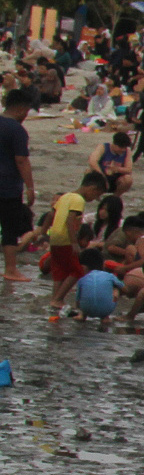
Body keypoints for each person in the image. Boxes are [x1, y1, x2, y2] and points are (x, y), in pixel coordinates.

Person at [43, 172, 103, 309]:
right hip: (66, 239)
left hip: (55, 238)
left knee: (59, 270)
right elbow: (70, 220)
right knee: (77, 270)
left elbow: (51, 214)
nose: (93, 199)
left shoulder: (65, 196)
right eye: (96, 195)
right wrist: (74, 242)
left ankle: (55, 299)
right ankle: (58, 299)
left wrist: (43, 233)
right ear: (92, 188)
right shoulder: (78, 200)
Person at [0, 87, 35, 284]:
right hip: (8, 187)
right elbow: (21, 160)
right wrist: (30, 187)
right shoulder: (17, 130)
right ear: (22, 109)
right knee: (9, 229)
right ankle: (11, 269)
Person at [70, 247, 118, 327]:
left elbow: (78, 301)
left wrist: (78, 308)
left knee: (85, 294)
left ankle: (82, 315)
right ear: (103, 265)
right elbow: (121, 285)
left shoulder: (82, 279)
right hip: (106, 309)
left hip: (86, 308)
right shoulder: (108, 276)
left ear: (83, 267)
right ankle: (105, 317)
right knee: (116, 289)